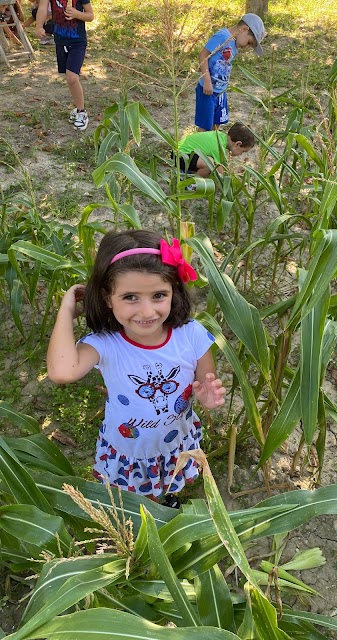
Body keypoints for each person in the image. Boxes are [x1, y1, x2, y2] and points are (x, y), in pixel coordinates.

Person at [47, 230, 226, 508]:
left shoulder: (192, 335)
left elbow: (205, 378)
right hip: (128, 446)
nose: (146, 311)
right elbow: (61, 371)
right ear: (108, 299)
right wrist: (66, 311)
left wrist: (208, 398)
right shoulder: (105, 344)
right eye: (131, 297)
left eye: (158, 295)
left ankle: (167, 497)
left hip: (175, 438)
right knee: (132, 498)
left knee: (169, 479)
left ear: (173, 292)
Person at [195, 13, 265, 132]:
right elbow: (203, 55)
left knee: (217, 122)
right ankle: (197, 149)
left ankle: (211, 148)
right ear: (244, 29)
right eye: (249, 43)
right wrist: (206, 80)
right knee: (205, 126)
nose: (247, 47)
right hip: (208, 89)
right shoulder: (222, 36)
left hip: (220, 91)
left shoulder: (235, 44)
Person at [35, 0, 93, 131]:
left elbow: (90, 15)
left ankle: (82, 112)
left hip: (78, 42)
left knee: (72, 77)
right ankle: (77, 107)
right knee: (68, 77)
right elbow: (43, 8)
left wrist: (77, 14)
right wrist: (39, 26)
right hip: (60, 42)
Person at [178, 122, 255, 177]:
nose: (241, 154)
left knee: (209, 162)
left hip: (180, 150)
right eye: (243, 151)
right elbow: (220, 173)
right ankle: (191, 183)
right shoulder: (219, 147)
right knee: (209, 163)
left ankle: (188, 172)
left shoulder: (220, 136)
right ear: (238, 144)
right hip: (180, 156)